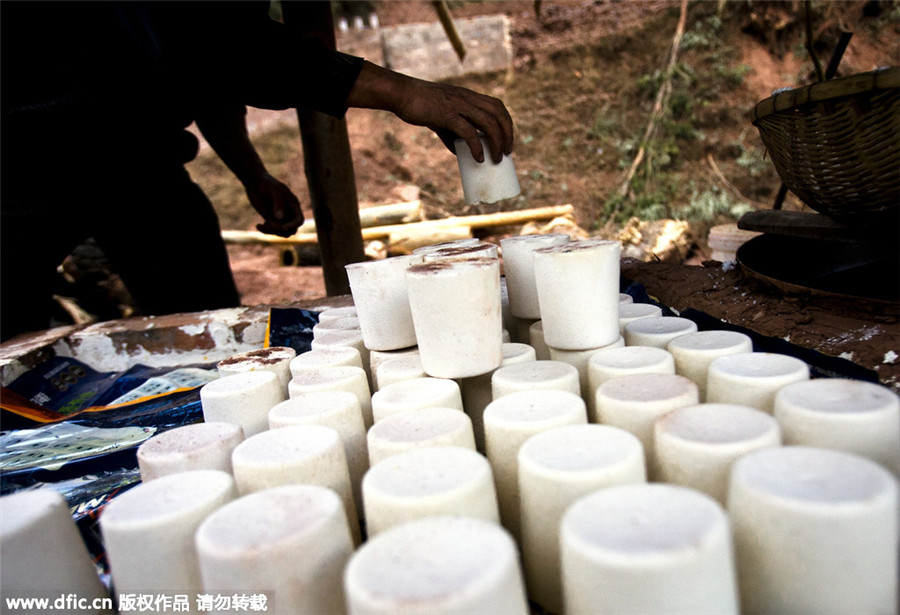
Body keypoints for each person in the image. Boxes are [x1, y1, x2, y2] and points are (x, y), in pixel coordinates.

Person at [0, 1, 514, 342]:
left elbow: (204, 69)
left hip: (139, 158)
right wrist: (405, 92)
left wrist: (252, 174)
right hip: (17, 160)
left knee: (208, 325)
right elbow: (228, 45)